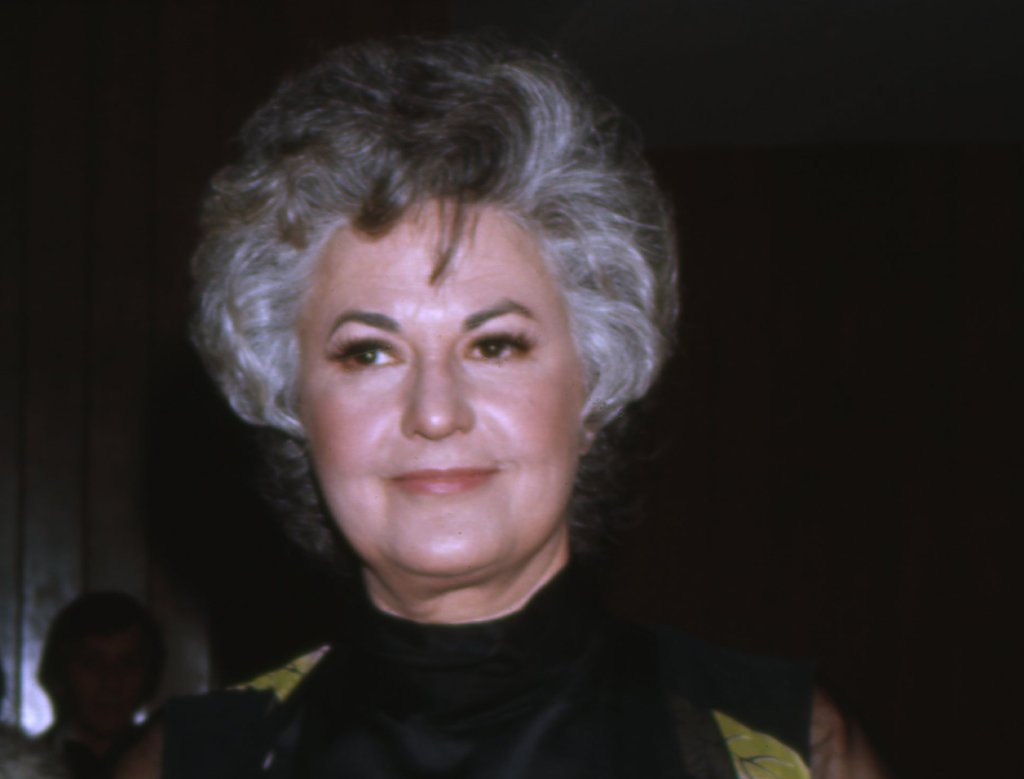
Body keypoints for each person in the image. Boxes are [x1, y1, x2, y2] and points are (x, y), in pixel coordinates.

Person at [120, 35, 889, 778]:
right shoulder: (194, 763)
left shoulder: (783, 749)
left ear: (594, 388)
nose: (434, 411)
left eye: (495, 345)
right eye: (368, 352)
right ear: (293, 404)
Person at [38, 592, 164, 779]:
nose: (111, 682)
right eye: (91, 663)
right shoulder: (22, 767)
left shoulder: (174, 766)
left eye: (128, 663)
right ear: (60, 673)